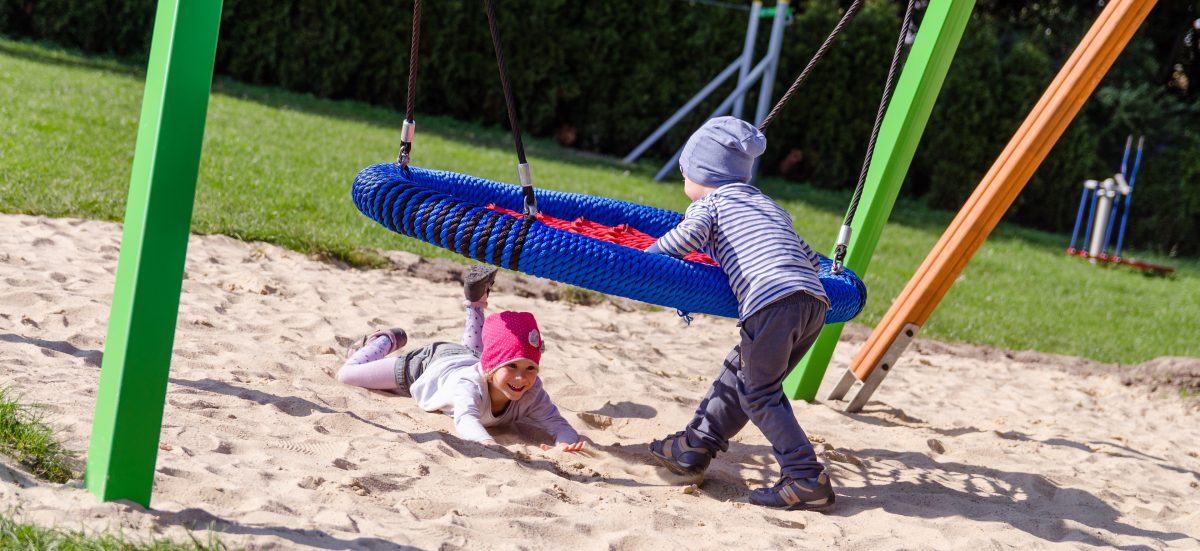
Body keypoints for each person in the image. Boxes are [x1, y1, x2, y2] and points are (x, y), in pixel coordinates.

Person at [645, 116, 834, 511]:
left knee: (759, 394)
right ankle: (693, 448)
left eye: (685, 172)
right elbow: (810, 257)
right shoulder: (768, 205)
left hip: (769, 302)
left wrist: (645, 258)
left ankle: (804, 476)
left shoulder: (710, 204)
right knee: (742, 372)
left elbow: (686, 238)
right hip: (813, 303)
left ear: (702, 174)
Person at [337, 265, 585, 452]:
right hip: (427, 365)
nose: (522, 377)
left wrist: (564, 444)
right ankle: (384, 340)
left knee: (475, 353)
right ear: (491, 368)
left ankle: (475, 304)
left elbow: (558, 424)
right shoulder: (471, 385)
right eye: (512, 366)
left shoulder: (532, 391)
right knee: (347, 375)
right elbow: (466, 419)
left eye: (531, 368)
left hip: (469, 357)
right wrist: (487, 443)